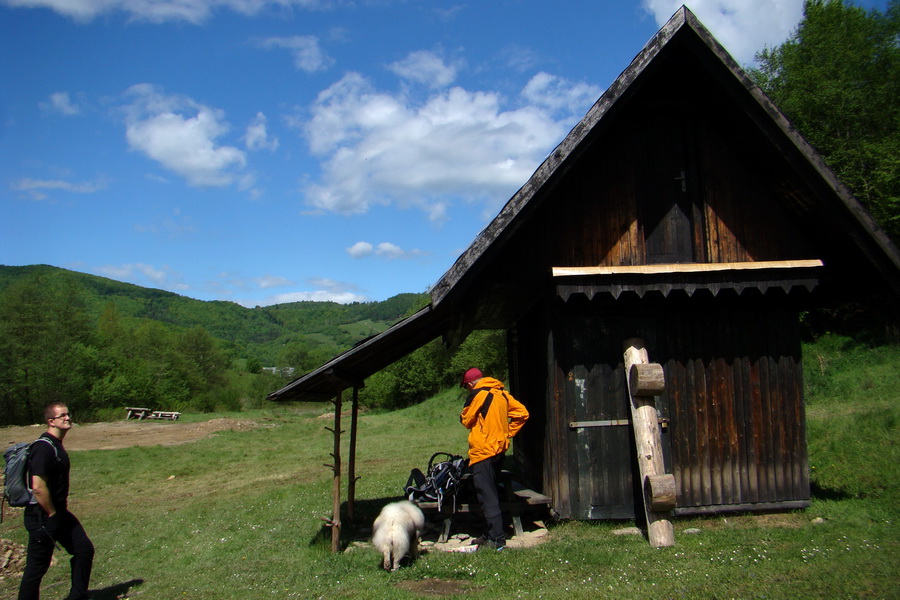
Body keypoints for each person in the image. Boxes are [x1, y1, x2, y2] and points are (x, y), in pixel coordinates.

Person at [19, 403, 94, 600]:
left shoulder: (55, 445)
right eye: (62, 416)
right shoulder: (43, 447)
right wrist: (52, 514)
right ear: (51, 421)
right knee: (37, 568)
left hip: (58, 513)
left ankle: (78, 596)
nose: (68, 418)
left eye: (69, 414)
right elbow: (38, 487)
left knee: (83, 549)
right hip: (43, 516)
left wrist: (57, 513)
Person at [459, 368, 529, 550]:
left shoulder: (478, 395)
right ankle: (490, 533)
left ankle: (497, 540)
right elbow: (522, 413)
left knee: (487, 496)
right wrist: (507, 434)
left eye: (466, 386)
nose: (467, 389)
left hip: (483, 453)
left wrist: (464, 415)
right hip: (498, 452)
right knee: (492, 493)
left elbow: (466, 421)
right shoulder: (502, 394)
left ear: (469, 383)